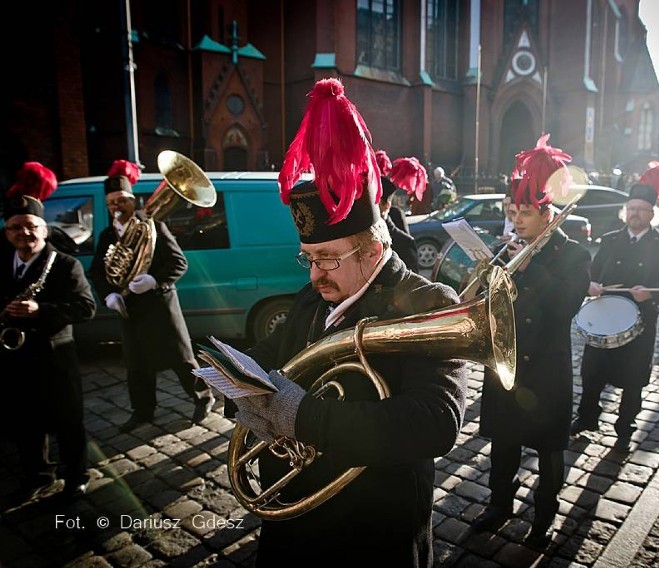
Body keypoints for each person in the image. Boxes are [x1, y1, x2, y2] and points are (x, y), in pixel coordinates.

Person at [228, 78, 469, 566]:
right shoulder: (312, 292)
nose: (315, 273)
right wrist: (232, 378)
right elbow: (276, 353)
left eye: (328, 258)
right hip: (294, 517)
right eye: (308, 257)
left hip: (373, 529)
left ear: (374, 250)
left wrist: (305, 417)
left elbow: (436, 423)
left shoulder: (426, 302)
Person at [474, 135, 591, 544]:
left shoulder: (575, 254)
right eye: (513, 211)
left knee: (549, 448)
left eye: (525, 211)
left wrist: (529, 268)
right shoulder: (509, 251)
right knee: (503, 443)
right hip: (506, 364)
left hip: (546, 367)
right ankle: (498, 504)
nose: (517, 219)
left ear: (547, 212)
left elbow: (565, 305)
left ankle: (544, 516)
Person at [89, 160, 215, 432]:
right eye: (111, 203)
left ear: (132, 201)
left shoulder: (153, 225)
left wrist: (154, 280)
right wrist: (109, 295)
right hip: (129, 309)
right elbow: (97, 272)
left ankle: (203, 398)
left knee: (182, 359)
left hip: (160, 306)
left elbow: (179, 263)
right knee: (137, 366)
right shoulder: (106, 236)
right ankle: (142, 412)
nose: (117, 207)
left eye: (122, 200)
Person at [1, 163, 96, 500]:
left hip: (56, 357)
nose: (23, 234)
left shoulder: (64, 264)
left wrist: (40, 310)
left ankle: (76, 475)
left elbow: (86, 308)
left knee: (68, 421)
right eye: (15, 228)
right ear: (7, 231)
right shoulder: (3, 261)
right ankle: (38, 474)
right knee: (25, 421)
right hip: (15, 359)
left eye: (30, 227)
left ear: (43, 228)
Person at [573, 183, 659, 443]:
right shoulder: (611, 239)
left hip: (641, 318)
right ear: (625, 212)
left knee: (633, 378)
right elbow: (594, 271)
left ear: (653, 214)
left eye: (642, 210)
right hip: (604, 316)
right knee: (592, 372)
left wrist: (652, 294)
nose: (635, 214)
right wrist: (591, 285)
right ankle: (587, 416)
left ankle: (625, 426)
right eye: (631, 208)